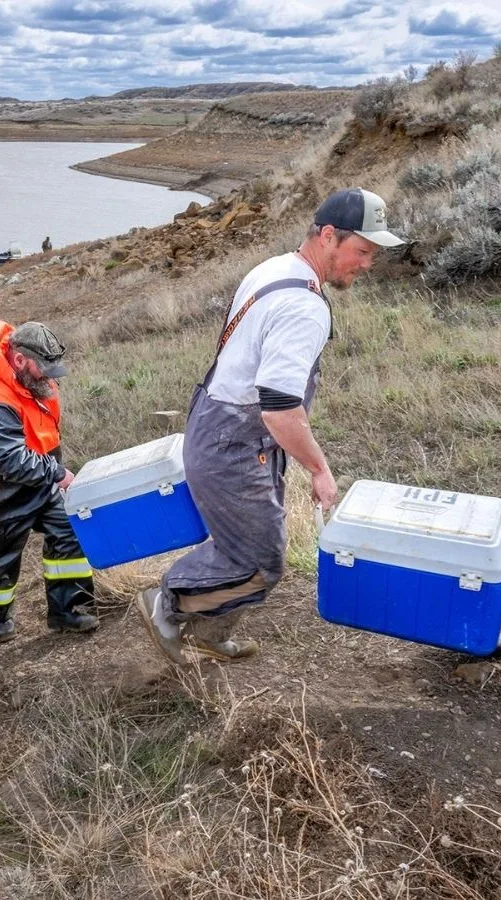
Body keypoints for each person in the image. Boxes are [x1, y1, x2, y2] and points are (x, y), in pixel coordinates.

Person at [136, 187, 404, 664]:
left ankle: (211, 633)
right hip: (234, 442)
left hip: (220, 423)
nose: (367, 264)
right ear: (328, 236)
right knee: (260, 562)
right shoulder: (304, 307)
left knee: (254, 542)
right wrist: (319, 469)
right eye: (362, 251)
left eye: (373, 254)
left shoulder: (276, 268)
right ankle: (168, 602)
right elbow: (279, 408)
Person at [0, 320, 98, 643]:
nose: (49, 377)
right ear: (19, 359)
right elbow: (9, 460)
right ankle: (0, 619)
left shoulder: (32, 379)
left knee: (69, 533)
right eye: (43, 369)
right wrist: (57, 473)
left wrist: (51, 472)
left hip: (39, 481)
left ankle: (67, 612)